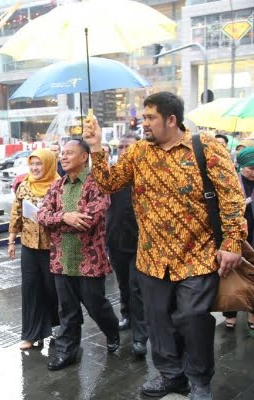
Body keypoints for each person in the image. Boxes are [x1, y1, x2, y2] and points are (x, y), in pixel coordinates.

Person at [83, 91, 246, 400]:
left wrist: (233, 242)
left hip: (197, 255)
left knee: (192, 318)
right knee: (158, 321)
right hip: (151, 257)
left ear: (171, 120)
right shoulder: (138, 152)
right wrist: (95, 147)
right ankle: (171, 375)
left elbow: (232, 198)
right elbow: (108, 183)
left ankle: (199, 380)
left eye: (150, 118)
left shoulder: (207, 148)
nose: (144, 124)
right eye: (144, 117)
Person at [37, 139, 120, 371]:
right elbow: (42, 215)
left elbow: (89, 220)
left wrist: (60, 219)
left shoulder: (97, 185)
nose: (63, 157)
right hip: (61, 260)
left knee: (97, 306)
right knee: (67, 310)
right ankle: (67, 352)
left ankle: (112, 332)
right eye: (62, 153)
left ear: (84, 157)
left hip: (89, 260)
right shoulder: (57, 186)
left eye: (69, 153)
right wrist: (64, 217)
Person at [8, 148, 60, 350]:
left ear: (48, 164)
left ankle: (58, 326)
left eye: (39, 164)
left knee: (53, 288)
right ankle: (31, 334)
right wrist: (12, 241)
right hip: (29, 246)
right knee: (30, 289)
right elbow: (16, 214)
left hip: (53, 247)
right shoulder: (23, 186)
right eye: (32, 164)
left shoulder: (58, 186)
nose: (35, 168)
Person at [105, 133, 148, 357]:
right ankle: (127, 316)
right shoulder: (112, 175)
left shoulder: (146, 173)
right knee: (123, 285)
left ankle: (141, 337)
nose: (122, 150)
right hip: (115, 241)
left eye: (127, 146)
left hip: (139, 243)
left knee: (136, 288)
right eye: (120, 146)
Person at [222, 147, 254, 332]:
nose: (253, 172)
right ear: (241, 166)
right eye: (250, 168)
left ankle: (252, 313)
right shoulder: (232, 183)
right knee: (233, 275)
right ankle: (231, 314)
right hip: (237, 238)